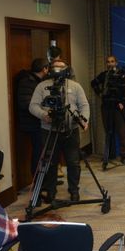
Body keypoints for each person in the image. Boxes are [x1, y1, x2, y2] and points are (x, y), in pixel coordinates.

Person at [29, 59, 89, 202]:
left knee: (73, 162)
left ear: (67, 70)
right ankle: (51, 191)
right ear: (50, 69)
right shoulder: (42, 86)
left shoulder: (75, 86)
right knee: (50, 163)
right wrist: (44, 115)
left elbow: (84, 105)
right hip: (49, 130)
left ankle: (74, 190)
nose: (58, 70)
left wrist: (84, 119)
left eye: (61, 67)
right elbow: (33, 106)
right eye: (55, 67)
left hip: (71, 130)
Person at [91, 55, 125, 164]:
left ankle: (124, 156)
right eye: (108, 62)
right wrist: (100, 93)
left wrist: (123, 103)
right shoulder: (104, 75)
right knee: (109, 132)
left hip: (118, 106)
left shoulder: (122, 75)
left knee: (122, 132)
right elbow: (93, 83)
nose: (110, 63)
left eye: (112, 61)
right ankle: (110, 154)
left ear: (116, 63)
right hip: (106, 106)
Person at [14, 58, 49, 178]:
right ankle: (37, 180)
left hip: (38, 121)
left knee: (43, 151)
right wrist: (44, 110)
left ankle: (44, 179)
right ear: (44, 69)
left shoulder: (36, 81)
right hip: (33, 123)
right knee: (38, 152)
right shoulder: (28, 82)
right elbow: (26, 104)